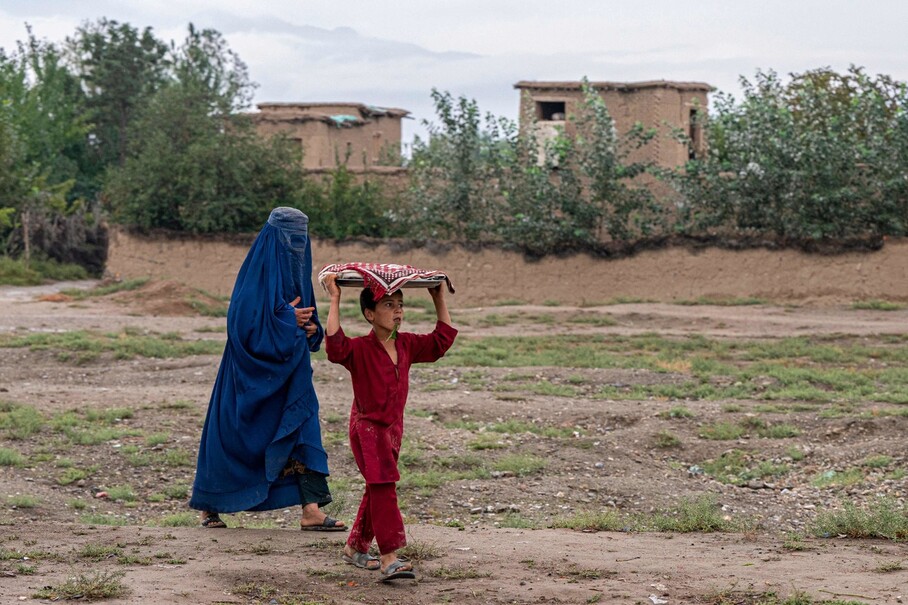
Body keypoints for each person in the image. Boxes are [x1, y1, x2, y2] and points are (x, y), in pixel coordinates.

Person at [189, 207, 345, 532]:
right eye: (291, 239)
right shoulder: (255, 275)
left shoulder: (296, 274)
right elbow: (241, 326)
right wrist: (286, 319)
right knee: (231, 435)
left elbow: (305, 319)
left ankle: (311, 509)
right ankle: (209, 505)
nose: (297, 247)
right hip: (248, 375)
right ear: (275, 239)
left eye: (302, 239)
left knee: (303, 429)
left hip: (291, 373)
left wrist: (309, 328)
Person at [323, 274, 457, 581]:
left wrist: (438, 298)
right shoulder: (359, 349)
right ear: (370, 314)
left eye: (400, 304)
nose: (397, 311)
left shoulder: (407, 344)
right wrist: (335, 299)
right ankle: (389, 557)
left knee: (377, 487)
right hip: (367, 429)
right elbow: (335, 347)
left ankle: (356, 546)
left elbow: (441, 342)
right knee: (383, 485)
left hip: (394, 429)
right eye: (388, 305)